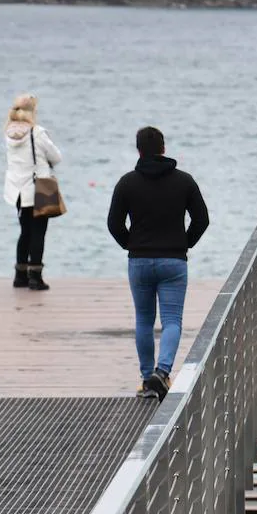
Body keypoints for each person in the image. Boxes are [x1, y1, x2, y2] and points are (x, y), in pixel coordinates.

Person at [106, 126, 211, 401]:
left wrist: (130, 244)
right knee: (172, 320)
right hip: (173, 261)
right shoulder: (184, 181)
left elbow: (113, 224)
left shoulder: (127, 183)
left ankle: (145, 380)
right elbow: (202, 220)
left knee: (143, 319)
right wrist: (184, 243)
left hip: (139, 261)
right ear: (164, 149)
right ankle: (162, 373)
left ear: (139, 150)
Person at [2, 93, 63, 290]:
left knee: (25, 231)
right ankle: (35, 277)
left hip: (17, 190)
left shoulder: (8, 132)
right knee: (39, 233)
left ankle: (20, 275)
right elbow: (56, 156)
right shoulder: (37, 132)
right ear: (32, 111)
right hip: (38, 188)